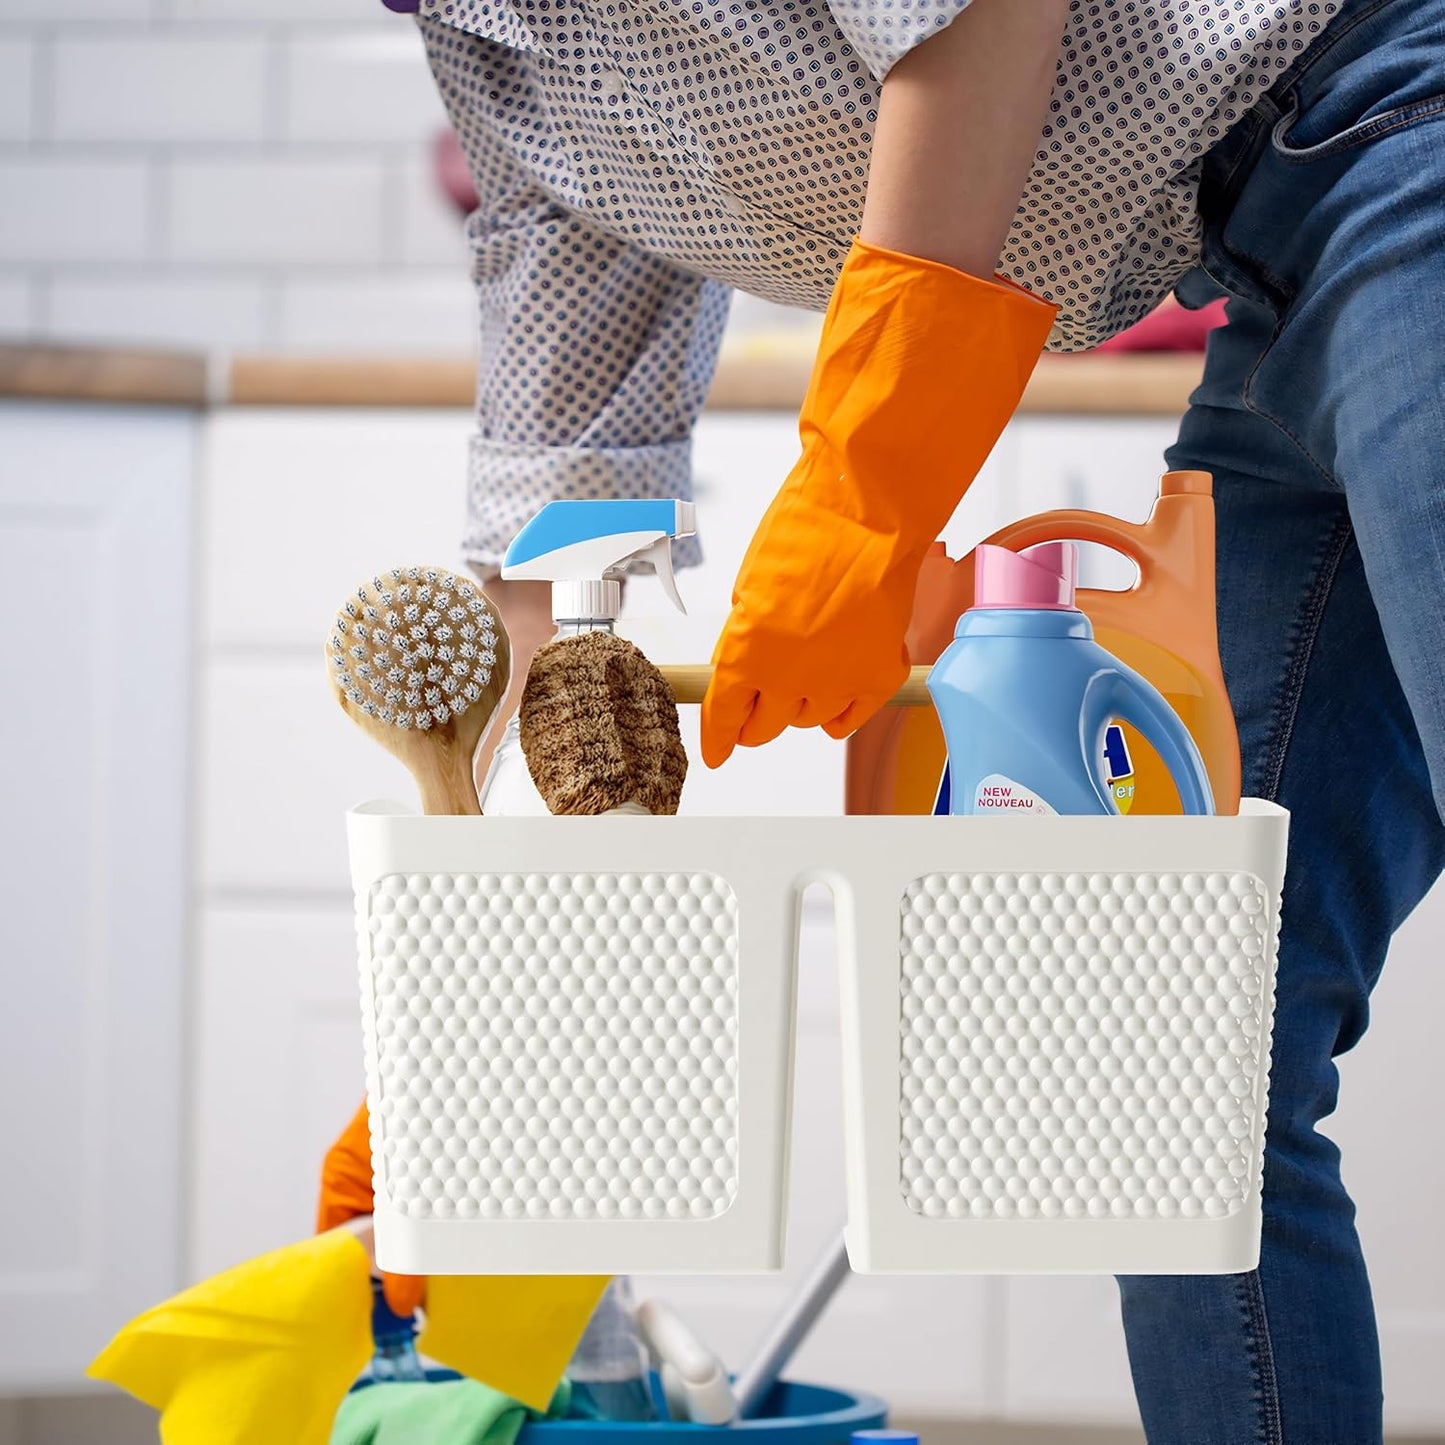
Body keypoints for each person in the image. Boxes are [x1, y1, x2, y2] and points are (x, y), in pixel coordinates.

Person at [336, 2, 1443, 1439]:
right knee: (1184, 1066)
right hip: (1272, 260)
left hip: (1398, 131)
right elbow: (565, 497)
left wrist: (868, 488)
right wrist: (467, 1047)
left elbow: (980, 15)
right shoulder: (506, 64)